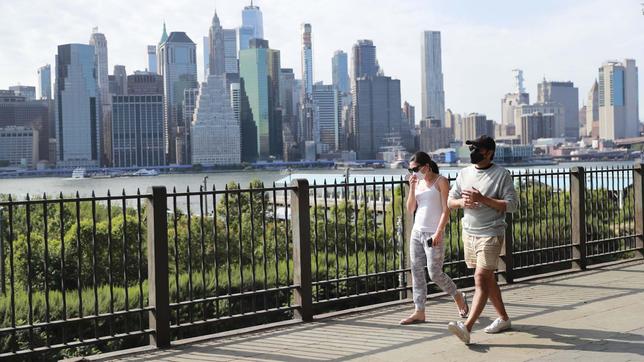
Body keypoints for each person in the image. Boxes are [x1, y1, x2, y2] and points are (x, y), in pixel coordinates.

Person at [446, 135, 518, 344]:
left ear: (489, 152)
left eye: (477, 149)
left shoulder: (501, 174)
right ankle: (503, 319)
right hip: (469, 232)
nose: (473, 152)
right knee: (487, 278)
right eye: (471, 148)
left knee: (480, 277)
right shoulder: (464, 173)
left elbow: (512, 205)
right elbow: (450, 201)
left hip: (491, 232)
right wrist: (462, 202)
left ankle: (466, 327)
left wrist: (482, 199)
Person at [400, 151, 469, 325]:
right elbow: (410, 209)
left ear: (426, 166)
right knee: (416, 272)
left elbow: (447, 210)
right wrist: (413, 187)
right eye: (410, 169)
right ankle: (419, 311)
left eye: (415, 168)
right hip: (417, 233)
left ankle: (458, 295)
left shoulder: (441, 181)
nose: (412, 171)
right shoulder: (418, 183)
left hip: (434, 233)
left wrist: (439, 232)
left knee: (434, 273)